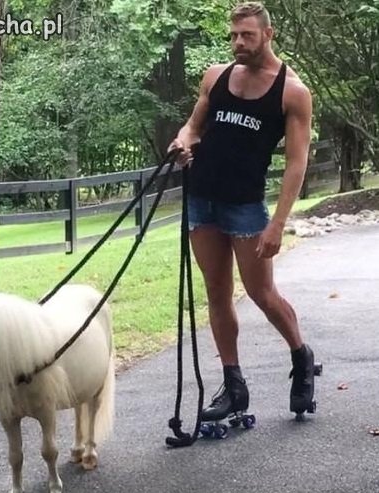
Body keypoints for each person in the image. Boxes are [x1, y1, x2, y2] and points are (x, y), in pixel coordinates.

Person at [168, 1, 317, 422]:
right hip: (202, 200)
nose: (238, 42)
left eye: (247, 35)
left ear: (268, 34)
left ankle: (301, 356)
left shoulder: (292, 92)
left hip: (245, 207)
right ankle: (234, 386)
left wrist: (278, 223)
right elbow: (193, 126)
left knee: (261, 294)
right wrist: (183, 142)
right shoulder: (216, 76)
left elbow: (296, 163)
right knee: (216, 292)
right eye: (233, 35)